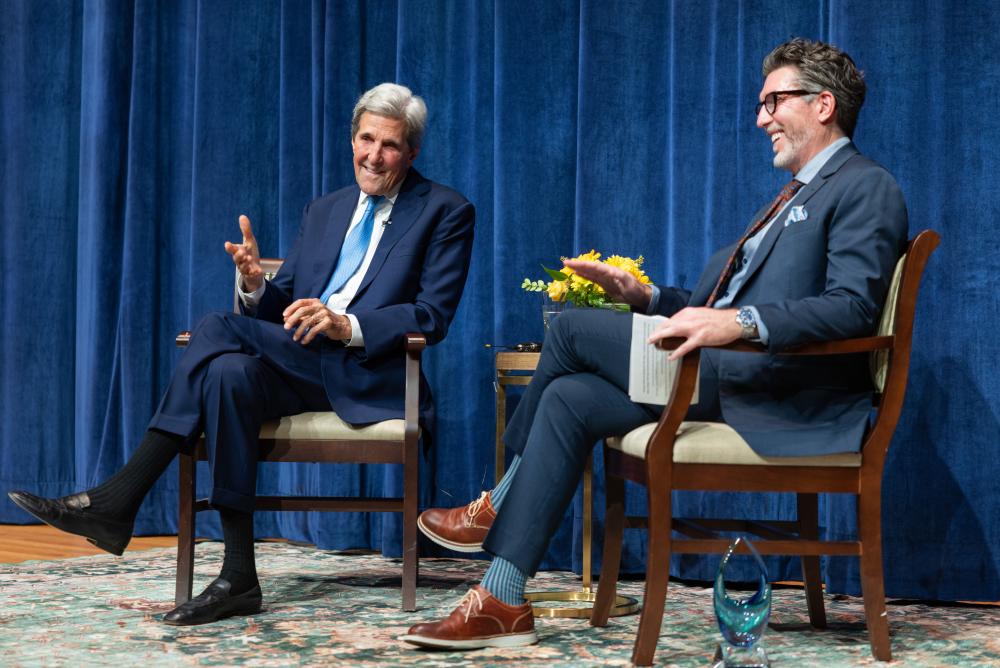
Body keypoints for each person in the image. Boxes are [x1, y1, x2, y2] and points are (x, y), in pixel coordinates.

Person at [402, 38, 907, 650]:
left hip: (775, 390)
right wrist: (644, 298)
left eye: (774, 101)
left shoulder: (864, 186)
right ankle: (502, 599)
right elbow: (709, 310)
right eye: (761, 103)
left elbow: (852, 308)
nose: (761, 118)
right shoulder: (793, 195)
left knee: (572, 328)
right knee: (569, 398)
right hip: (723, 377)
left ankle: (495, 503)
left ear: (823, 104)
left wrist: (741, 323)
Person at [8, 83, 475, 626]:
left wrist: (345, 323)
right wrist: (256, 285)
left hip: (365, 371)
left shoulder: (446, 210)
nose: (373, 155)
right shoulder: (324, 210)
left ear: (411, 152)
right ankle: (238, 576)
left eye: (389, 145)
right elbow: (278, 309)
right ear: (352, 141)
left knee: (213, 329)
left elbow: (430, 315)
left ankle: (119, 497)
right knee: (228, 372)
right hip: (301, 361)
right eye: (365, 139)